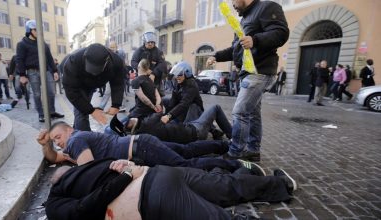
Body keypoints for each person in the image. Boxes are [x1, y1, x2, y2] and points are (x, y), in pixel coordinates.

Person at [45, 158, 296, 220]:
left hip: (153, 192)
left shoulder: (55, 201)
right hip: (158, 174)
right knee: (224, 187)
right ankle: (279, 184)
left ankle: (267, 181)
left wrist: (127, 173)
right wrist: (128, 168)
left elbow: (83, 208)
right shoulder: (85, 169)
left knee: (215, 214)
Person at [206, 0, 289, 161]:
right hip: (248, 72)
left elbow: (281, 33)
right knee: (252, 114)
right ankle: (253, 150)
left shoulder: (267, 7)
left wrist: (255, 39)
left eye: (233, 1)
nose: (232, 5)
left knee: (240, 111)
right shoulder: (244, 20)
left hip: (259, 71)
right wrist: (216, 56)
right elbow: (235, 48)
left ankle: (235, 152)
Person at [38, 121, 244, 172]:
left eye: (58, 137)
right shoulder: (72, 145)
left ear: (69, 130)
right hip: (141, 143)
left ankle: (233, 164)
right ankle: (225, 146)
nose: (58, 142)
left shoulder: (75, 140)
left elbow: (88, 169)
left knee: (186, 163)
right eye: (54, 140)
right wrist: (46, 145)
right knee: (186, 150)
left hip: (142, 148)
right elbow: (54, 158)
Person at [62, 43, 126, 131]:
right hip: (79, 86)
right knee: (81, 112)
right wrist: (91, 110)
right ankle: (85, 140)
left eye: (96, 70)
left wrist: (116, 105)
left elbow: (118, 84)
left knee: (82, 112)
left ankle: (77, 133)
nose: (93, 73)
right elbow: (71, 91)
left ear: (106, 62)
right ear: (85, 59)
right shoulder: (73, 61)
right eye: (91, 70)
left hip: (94, 84)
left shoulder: (116, 62)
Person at [16, 20, 64, 122]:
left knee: (51, 92)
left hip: (46, 71)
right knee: (37, 94)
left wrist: (55, 71)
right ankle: (41, 114)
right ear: (29, 30)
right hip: (32, 72)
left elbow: (50, 58)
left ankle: (51, 112)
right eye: (35, 29)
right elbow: (19, 60)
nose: (38, 31)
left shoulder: (43, 43)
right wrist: (22, 75)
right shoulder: (22, 44)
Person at [113, 104, 231, 144]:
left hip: (185, 129)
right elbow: (160, 111)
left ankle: (214, 131)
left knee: (193, 106)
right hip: (195, 131)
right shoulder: (149, 122)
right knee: (216, 108)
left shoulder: (142, 133)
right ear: (134, 123)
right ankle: (233, 137)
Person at [131, 31, 166, 96]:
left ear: (154, 42)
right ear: (145, 42)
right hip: (141, 78)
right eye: (148, 42)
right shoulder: (138, 51)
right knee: (141, 98)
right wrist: (144, 70)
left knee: (156, 97)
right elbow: (133, 62)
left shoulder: (159, 52)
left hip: (155, 80)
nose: (150, 44)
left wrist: (153, 73)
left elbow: (162, 64)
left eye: (152, 42)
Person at [98, 41, 126, 111]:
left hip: (118, 77)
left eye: (113, 47)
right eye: (111, 47)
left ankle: (121, 106)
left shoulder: (120, 55)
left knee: (121, 92)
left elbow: (123, 65)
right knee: (107, 92)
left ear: (116, 48)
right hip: (110, 77)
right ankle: (101, 106)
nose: (112, 49)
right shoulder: (106, 55)